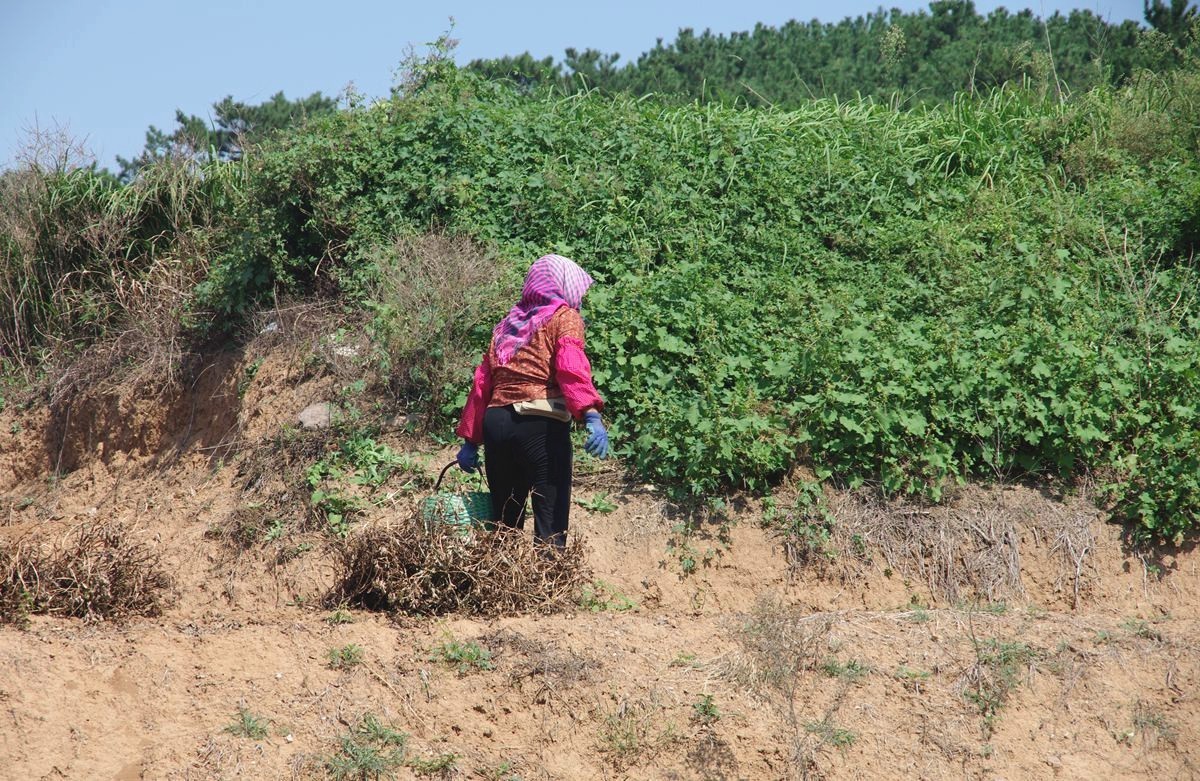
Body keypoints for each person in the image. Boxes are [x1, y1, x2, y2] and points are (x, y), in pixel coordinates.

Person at [454, 254, 609, 549]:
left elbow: (482, 384)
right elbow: (570, 365)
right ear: (564, 285)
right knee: (550, 519)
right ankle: (546, 588)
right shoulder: (564, 318)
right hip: (539, 424)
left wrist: (471, 442)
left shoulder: (506, 326)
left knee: (504, 522)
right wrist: (590, 414)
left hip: (496, 424)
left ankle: (500, 587)